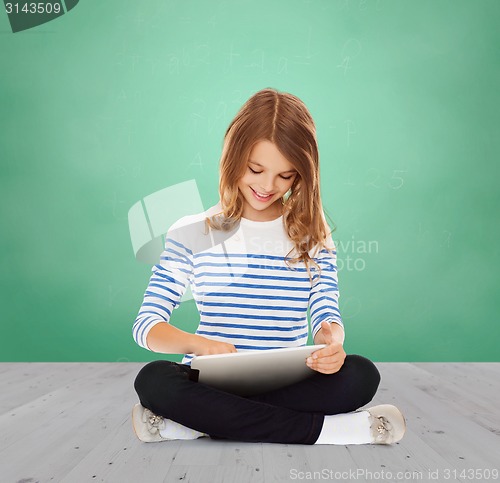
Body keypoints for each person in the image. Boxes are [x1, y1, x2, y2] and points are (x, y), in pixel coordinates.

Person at [131, 88, 406, 445]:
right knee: (153, 380)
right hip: (211, 381)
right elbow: (146, 326)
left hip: (289, 381)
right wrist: (199, 345)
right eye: (255, 169)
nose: (266, 186)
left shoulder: (312, 230)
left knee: (361, 374)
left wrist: (332, 342)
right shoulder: (192, 231)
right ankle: (333, 432)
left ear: (301, 175)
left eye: (285, 176)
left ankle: (193, 424)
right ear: (233, 157)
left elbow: (326, 310)